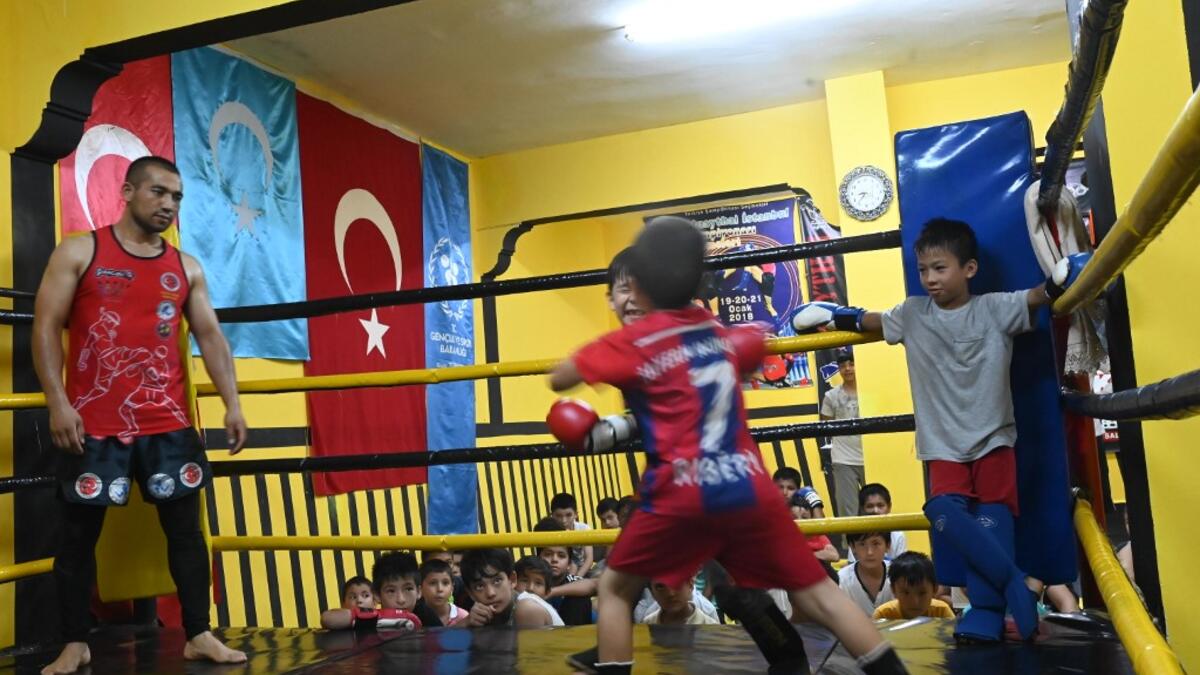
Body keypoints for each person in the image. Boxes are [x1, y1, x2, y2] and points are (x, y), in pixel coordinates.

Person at [547, 217, 907, 675]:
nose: (625, 300)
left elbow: (561, 378)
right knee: (819, 593)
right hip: (745, 485)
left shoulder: (630, 343)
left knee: (622, 587)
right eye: (615, 292)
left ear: (641, 285)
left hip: (681, 491)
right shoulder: (712, 327)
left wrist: (594, 404)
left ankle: (618, 660)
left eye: (628, 287)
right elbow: (745, 354)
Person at [791, 217, 1091, 642]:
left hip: (994, 437)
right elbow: (871, 321)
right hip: (942, 444)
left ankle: (987, 610)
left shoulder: (993, 307)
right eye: (923, 270)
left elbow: (1036, 297)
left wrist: (1064, 278)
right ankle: (1012, 582)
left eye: (939, 268)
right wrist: (833, 314)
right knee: (942, 511)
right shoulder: (914, 313)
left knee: (992, 522)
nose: (930, 278)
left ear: (969, 269)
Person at [32, 156, 249, 674]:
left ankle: (198, 633)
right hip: (93, 425)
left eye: (177, 197)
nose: (169, 204)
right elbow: (45, 326)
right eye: (159, 192)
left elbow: (210, 336)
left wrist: (233, 402)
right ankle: (74, 642)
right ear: (128, 192)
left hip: (167, 424)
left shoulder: (186, 267)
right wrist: (58, 402)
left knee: (186, 533)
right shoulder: (80, 251)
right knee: (77, 536)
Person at [461, 548, 563, 627]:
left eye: (497, 581)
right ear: (471, 593)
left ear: (512, 580)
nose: (491, 593)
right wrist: (467, 622)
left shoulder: (527, 608)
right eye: (480, 586)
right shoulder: (479, 615)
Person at [321, 552, 422, 630]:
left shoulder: (425, 616)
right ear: (377, 595)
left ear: (418, 592)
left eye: (408, 589)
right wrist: (387, 617)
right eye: (391, 591)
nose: (401, 599)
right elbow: (327, 619)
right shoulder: (371, 618)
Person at [821, 351, 865, 526]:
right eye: (843, 366)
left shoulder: (873, 389)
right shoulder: (831, 396)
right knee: (848, 514)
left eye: (851, 364)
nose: (847, 369)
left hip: (874, 456)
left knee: (878, 509)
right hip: (843, 459)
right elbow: (825, 425)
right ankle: (850, 544)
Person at [533, 517, 593, 625]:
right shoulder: (530, 581)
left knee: (578, 598)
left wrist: (551, 592)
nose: (554, 559)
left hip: (572, 631)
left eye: (561, 556)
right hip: (540, 632)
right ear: (538, 557)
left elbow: (595, 585)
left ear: (569, 563)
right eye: (548, 554)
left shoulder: (572, 581)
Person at [873, 552, 955, 620]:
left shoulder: (941, 612)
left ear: (935, 589)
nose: (914, 602)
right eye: (906, 593)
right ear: (893, 590)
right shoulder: (883, 615)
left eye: (922, 593)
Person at [839, 531, 894, 617]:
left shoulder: (900, 574)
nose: (869, 552)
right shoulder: (842, 579)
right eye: (862, 544)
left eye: (876, 544)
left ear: (888, 545)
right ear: (852, 547)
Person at [852, 484, 908, 560]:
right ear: (862, 509)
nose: (875, 511)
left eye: (880, 505)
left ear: (889, 507)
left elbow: (901, 565)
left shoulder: (898, 535)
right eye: (870, 506)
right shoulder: (857, 533)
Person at [642, 578, 719, 625]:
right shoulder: (647, 623)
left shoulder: (710, 624)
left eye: (678, 582)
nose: (671, 593)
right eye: (660, 587)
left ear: (691, 584)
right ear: (652, 593)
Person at [550, 492, 594, 576]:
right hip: (558, 571)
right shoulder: (549, 531)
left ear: (576, 514)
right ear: (552, 516)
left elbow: (589, 559)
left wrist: (576, 578)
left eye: (568, 515)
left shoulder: (583, 529)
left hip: (582, 571)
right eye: (558, 516)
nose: (564, 520)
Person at [417, 559, 468, 627]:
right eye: (433, 583)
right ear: (420, 589)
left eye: (445, 583)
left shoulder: (463, 617)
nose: (440, 589)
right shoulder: (415, 618)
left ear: (452, 587)